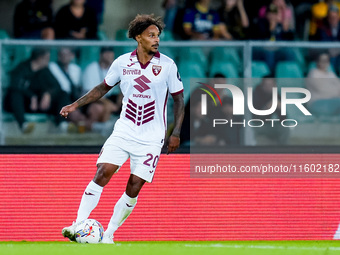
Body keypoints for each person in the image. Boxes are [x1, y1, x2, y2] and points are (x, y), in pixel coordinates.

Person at [60, 14, 185, 244]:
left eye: (157, 35)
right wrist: (75, 104)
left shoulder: (167, 65)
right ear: (138, 37)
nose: (156, 40)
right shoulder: (122, 63)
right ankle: (77, 225)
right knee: (102, 172)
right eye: (151, 35)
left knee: (134, 186)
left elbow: (179, 99)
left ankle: (109, 234)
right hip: (124, 131)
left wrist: (175, 133)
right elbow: (101, 89)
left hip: (152, 136)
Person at [3, 48, 50, 132]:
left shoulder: (44, 71)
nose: (48, 61)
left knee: (62, 94)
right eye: (47, 59)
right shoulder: (22, 68)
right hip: (16, 105)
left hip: (36, 105)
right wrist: (31, 96)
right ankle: (23, 125)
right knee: (16, 94)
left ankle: (63, 123)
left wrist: (47, 94)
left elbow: (55, 85)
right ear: (39, 58)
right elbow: (15, 85)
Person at [82, 47, 123, 134]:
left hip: (110, 98)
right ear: (101, 55)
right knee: (99, 108)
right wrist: (108, 103)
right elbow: (90, 94)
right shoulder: (92, 68)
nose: (109, 56)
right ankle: (99, 131)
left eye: (111, 54)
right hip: (92, 100)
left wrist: (118, 104)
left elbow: (122, 89)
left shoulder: (115, 69)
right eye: (106, 54)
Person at [252, 76, 290, 145]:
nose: (268, 87)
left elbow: (283, 119)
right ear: (262, 86)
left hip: (269, 125)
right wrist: (266, 108)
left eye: (271, 85)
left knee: (285, 129)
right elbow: (254, 118)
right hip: (256, 126)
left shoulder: (277, 95)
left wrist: (281, 109)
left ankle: (283, 151)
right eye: (266, 85)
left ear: (275, 86)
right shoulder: (256, 95)